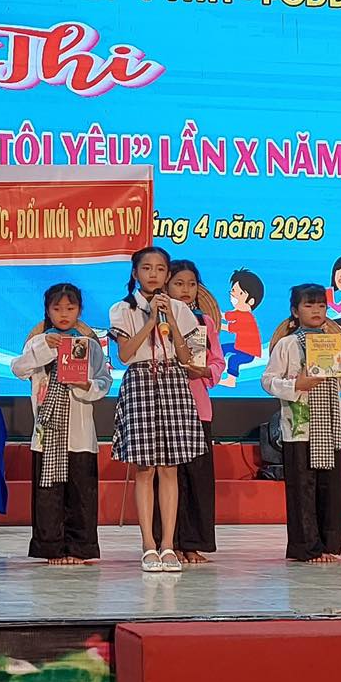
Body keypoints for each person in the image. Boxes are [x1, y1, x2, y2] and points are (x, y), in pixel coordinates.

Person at [109, 246, 206, 573]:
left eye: (160, 269)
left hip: (173, 381)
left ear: (167, 274)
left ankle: (168, 545)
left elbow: (187, 357)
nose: (153, 274)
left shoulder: (179, 308)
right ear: (135, 273)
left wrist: (171, 320)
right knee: (145, 468)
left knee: (170, 468)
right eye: (147, 268)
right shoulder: (122, 309)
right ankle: (148, 544)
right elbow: (125, 354)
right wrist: (150, 319)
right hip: (140, 381)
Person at [12, 283, 112, 565]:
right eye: (57, 308)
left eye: (70, 308)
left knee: (81, 493)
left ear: (79, 310)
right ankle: (51, 548)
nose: (64, 314)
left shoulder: (89, 345)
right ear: (48, 311)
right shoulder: (38, 342)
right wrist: (45, 348)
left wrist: (86, 384)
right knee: (48, 494)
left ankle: (79, 547)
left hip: (80, 432)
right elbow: (18, 369)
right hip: (47, 432)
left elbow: (104, 381)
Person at [262, 283, 341, 563]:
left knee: (332, 489)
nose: (316, 310)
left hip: (330, 428)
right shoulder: (287, 344)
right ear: (295, 311)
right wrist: (296, 385)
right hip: (300, 429)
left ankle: (329, 546)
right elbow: (267, 381)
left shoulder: (333, 342)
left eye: (321, 305)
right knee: (302, 490)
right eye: (309, 305)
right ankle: (306, 547)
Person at [152, 259, 224, 564]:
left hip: (197, 407)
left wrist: (204, 371)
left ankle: (193, 543)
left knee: (197, 478)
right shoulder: (155, 318)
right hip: (164, 405)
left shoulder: (204, 322)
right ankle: (167, 543)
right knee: (167, 477)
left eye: (192, 284)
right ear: (166, 285)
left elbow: (217, 362)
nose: (186, 289)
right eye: (179, 283)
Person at [219, 268, 265, 386]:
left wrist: (218, 325)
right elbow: (227, 316)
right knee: (222, 348)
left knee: (233, 360)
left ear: (251, 301)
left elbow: (231, 328)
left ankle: (231, 381)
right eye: (233, 290)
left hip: (248, 352)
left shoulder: (247, 317)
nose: (233, 295)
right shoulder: (238, 312)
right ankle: (217, 370)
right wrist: (216, 314)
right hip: (239, 346)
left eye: (239, 293)